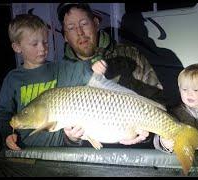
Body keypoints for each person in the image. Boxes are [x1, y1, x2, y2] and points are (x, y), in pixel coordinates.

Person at [57, 3, 165, 147]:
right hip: (87, 159)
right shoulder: (60, 72)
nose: (80, 32)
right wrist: (72, 138)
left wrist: (144, 135)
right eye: (71, 28)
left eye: (84, 23)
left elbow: (159, 104)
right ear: (65, 36)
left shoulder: (130, 55)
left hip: (132, 152)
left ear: (95, 23)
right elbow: (55, 134)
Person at [0, 14, 107, 151]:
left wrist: (93, 65)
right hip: (25, 149)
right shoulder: (13, 78)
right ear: (17, 47)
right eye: (34, 44)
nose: (42, 48)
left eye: (45, 42)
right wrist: (7, 134)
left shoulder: (58, 69)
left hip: (58, 149)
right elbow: (3, 113)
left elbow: (79, 69)